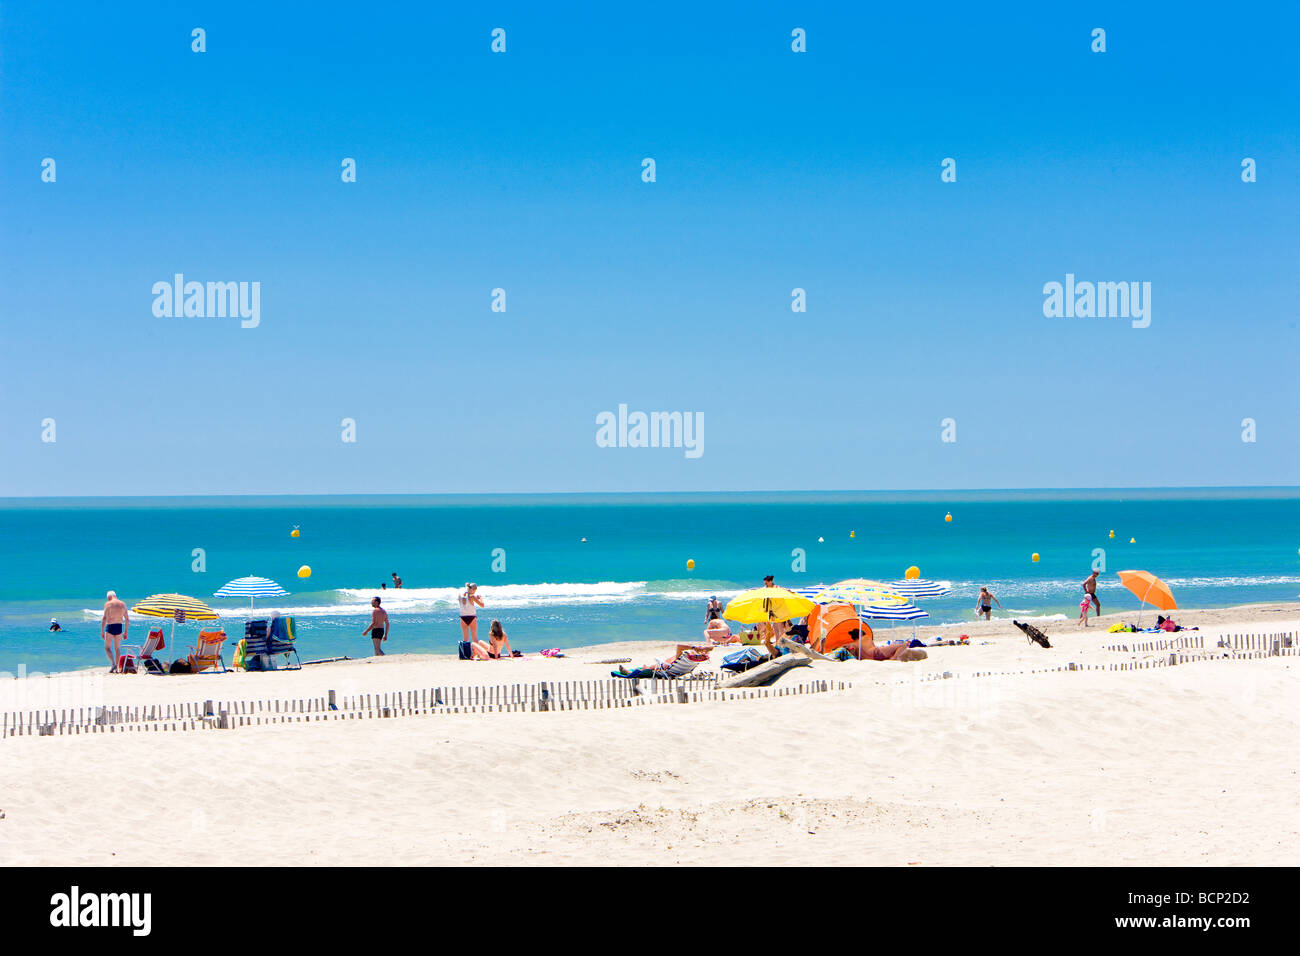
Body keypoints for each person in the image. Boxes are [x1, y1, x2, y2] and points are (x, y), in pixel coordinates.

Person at [612, 644, 712, 679]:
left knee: (646, 669)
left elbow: (679, 646)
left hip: (665, 671)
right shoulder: (696, 660)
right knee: (652, 666)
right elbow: (711, 647)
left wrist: (693, 647)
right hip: (679, 672)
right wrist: (703, 648)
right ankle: (644, 668)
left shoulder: (682, 657)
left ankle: (629, 672)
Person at [841, 630, 928, 662]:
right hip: (876, 653)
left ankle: (894, 657)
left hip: (869, 658)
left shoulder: (852, 644)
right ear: (862, 633)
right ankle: (894, 658)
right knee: (903, 645)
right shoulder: (866, 637)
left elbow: (852, 652)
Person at [101, 591, 129, 673]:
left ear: (108, 597)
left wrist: (102, 631)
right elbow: (127, 619)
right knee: (117, 648)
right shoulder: (122, 604)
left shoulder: (108, 604)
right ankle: (116, 668)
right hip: (119, 627)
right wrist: (126, 632)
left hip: (110, 626)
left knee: (107, 648)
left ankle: (113, 663)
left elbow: (104, 618)